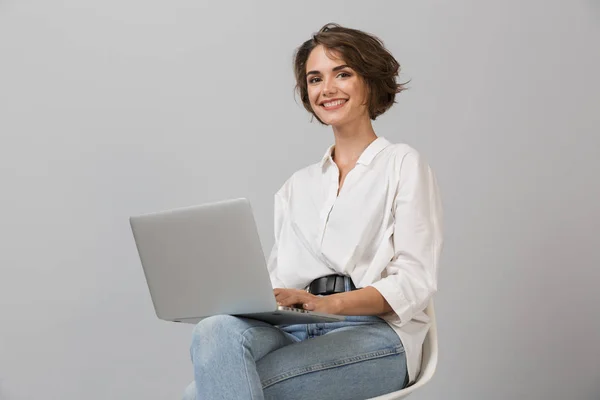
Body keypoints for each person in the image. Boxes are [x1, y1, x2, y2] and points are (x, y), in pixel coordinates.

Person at [182, 23, 443, 400]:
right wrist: (253, 295)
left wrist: (330, 303)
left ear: (369, 81)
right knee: (214, 329)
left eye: (343, 74)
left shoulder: (403, 164)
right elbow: (280, 279)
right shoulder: (295, 187)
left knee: (199, 396)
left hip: (374, 333)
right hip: (298, 329)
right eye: (315, 78)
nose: (327, 89)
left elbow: (414, 282)